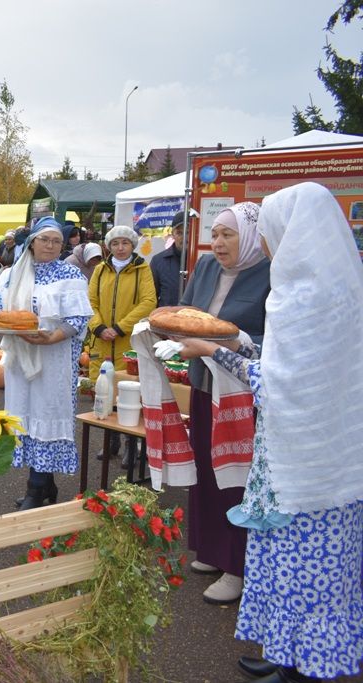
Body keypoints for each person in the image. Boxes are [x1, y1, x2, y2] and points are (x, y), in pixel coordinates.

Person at [178, 182, 363, 682]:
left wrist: (214, 351)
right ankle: (288, 653)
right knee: (297, 567)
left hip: (304, 467)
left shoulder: (304, 300)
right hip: (329, 457)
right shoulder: (339, 287)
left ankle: (303, 668)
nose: (270, 246)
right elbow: (289, 368)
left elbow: (278, 386)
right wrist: (231, 348)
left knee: (305, 570)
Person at [179, 202, 270, 605]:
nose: (217, 243)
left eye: (227, 235)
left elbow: (271, 345)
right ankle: (211, 551)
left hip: (242, 395)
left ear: (249, 236)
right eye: (214, 234)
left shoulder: (270, 275)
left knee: (235, 479)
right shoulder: (206, 267)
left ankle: (237, 565)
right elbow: (185, 313)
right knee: (206, 471)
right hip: (203, 384)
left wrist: (224, 344)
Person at [0, 217, 93, 510]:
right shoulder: (14, 274)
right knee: (24, 413)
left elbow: (78, 319)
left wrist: (52, 338)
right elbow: (1, 312)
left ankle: (36, 490)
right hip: (21, 358)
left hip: (54, 361)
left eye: (56, 242)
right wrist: (10, 328)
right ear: (32, 242)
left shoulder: (70, 275)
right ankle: (45, 484)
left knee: (46, 417)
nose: (50, 246)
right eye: (44, 240)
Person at [87, 225, 156, 377]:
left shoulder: (142, 269)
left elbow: (148, 302)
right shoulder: (100, 270)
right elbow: (90, 302)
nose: (120, 248)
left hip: (128, 341)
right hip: (100, 341)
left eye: (125, 243)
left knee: (125, 391)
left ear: (132, 245)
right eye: (115, 243)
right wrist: (98, 327)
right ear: (109, 246)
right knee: (99, 390)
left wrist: (119, 328)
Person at [150, 211, 191, 307]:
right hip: (166, 318)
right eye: (179, 233)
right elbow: (151, 297)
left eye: (188, 232)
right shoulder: (158, 261)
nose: (184, 237)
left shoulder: (203, 261)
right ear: (173, 234)